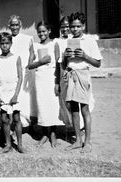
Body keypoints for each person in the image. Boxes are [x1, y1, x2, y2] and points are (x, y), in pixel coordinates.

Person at [60, 12, 103, 153]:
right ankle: (78, 140)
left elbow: (97, 63)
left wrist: (84, 56)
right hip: (70, 74)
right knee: (73, 109)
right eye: (72, 26)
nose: (75, 29)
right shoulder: (68, 41)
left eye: (78, 26)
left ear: (83, 26)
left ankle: (87, 142)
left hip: (83, 75)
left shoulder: (89, 41)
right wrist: (66, 57)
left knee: (84, 108)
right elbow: (64, 64)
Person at [28, 21, 64, 148]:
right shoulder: (35, 45)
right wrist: (40, 62)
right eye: (39, 31)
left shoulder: (55, 43)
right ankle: (44, 134)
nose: (41, 33)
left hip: (51, 77)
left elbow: (59, 64)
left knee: (52, 105)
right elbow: (30, 65)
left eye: (44, 31)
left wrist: (57, 83)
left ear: (49, 31)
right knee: (42, 105)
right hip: (40, 78)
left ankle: (53, 134)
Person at [0, 32, 25, 153]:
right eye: (2, 43)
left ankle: (20, 144)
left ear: (11, 43)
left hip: (13, 91)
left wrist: (16, 94)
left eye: (7, 43)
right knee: (4, 119)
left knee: (16, 118)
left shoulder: (16, 57)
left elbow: (20, 77)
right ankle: (8, 144)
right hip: (2, 92)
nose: (5, 46)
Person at [8, 15, 36, 127]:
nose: (14, 27)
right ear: (9, 26)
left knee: (27, 98)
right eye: (12, 25)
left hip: (26, 72)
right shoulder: (7, 39)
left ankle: (29, 123)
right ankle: (18, 124)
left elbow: (32, 52)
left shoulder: (28, 38)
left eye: (16, 25)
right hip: (13, 73)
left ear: (20, 25)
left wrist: (29, 65)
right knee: (16, 98)